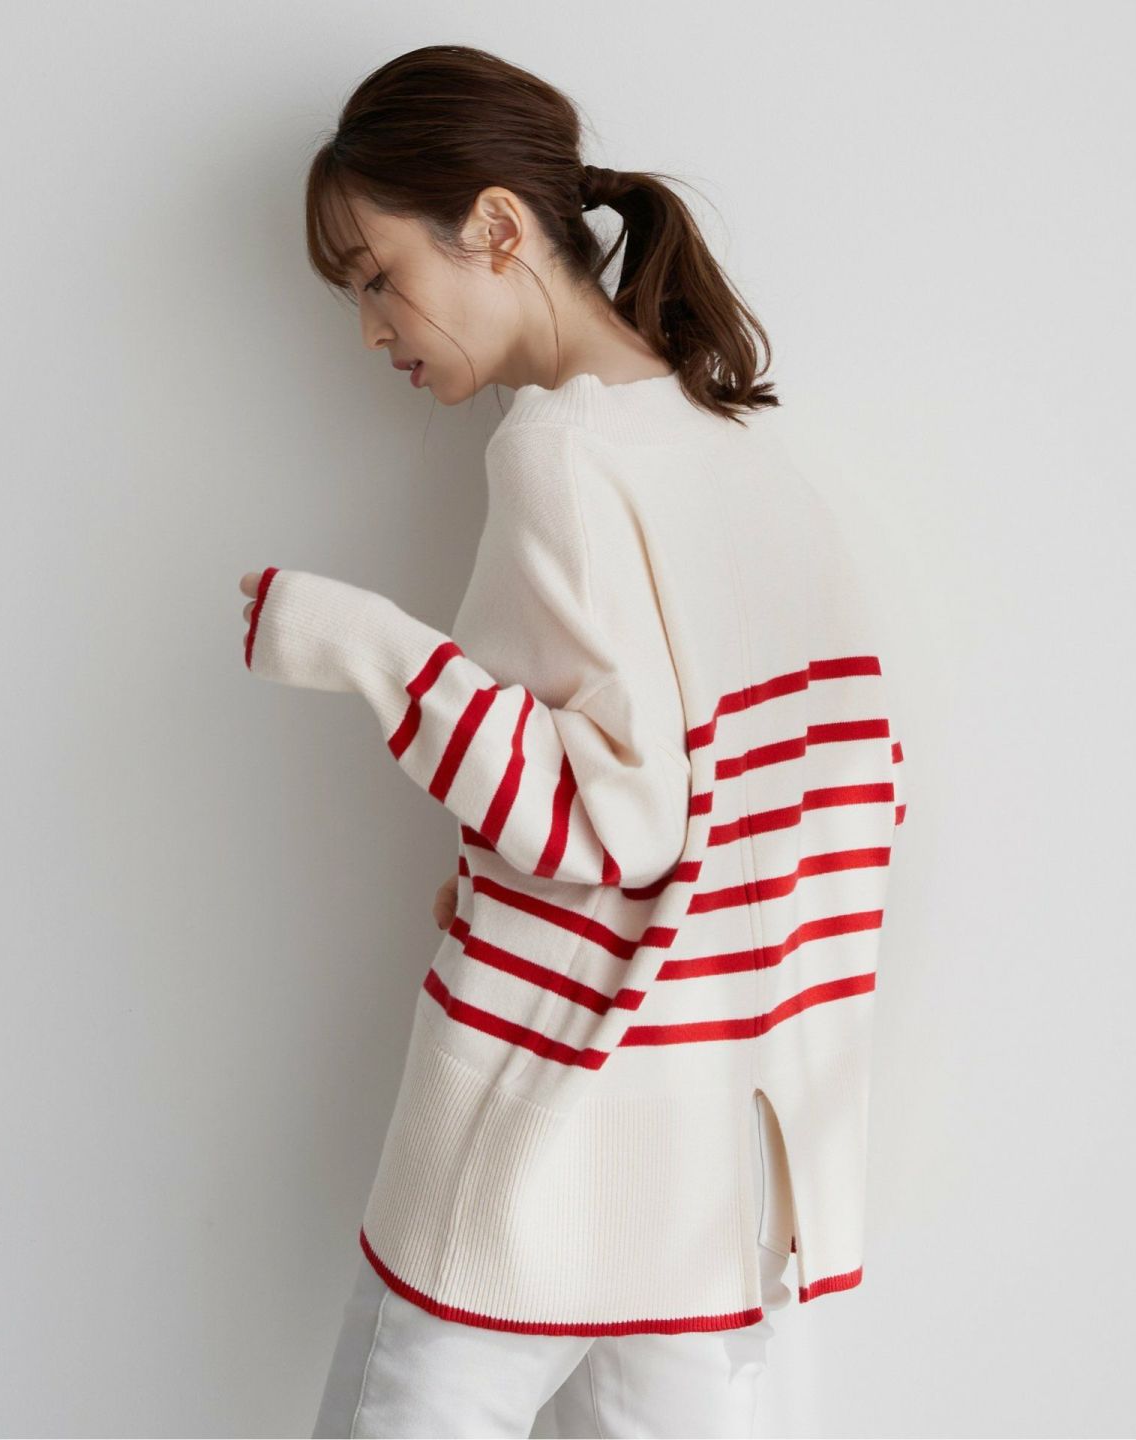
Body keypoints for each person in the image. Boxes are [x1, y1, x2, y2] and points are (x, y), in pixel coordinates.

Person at [240, 41, 908, 1440]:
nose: (369, 329)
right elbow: (835, 806)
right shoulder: (734, 454)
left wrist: (360, 643)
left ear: (495, 226)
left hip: (539, 1144)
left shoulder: (554, 453)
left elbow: (613, 823)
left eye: (374, 277)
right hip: (705, 1173)